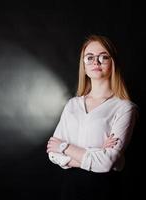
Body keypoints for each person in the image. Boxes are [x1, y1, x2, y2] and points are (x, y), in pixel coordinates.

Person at [46, 34, 138, 200]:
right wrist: (97, 152)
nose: (96, 62)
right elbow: (52, 153)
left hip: (103, 189)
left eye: (103, 57)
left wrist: (64, 147)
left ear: (113, 62)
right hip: (70, 190)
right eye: (89, 57)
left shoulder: (124, 108)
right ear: (84, 65)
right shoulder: (72, 105)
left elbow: (106, 163)